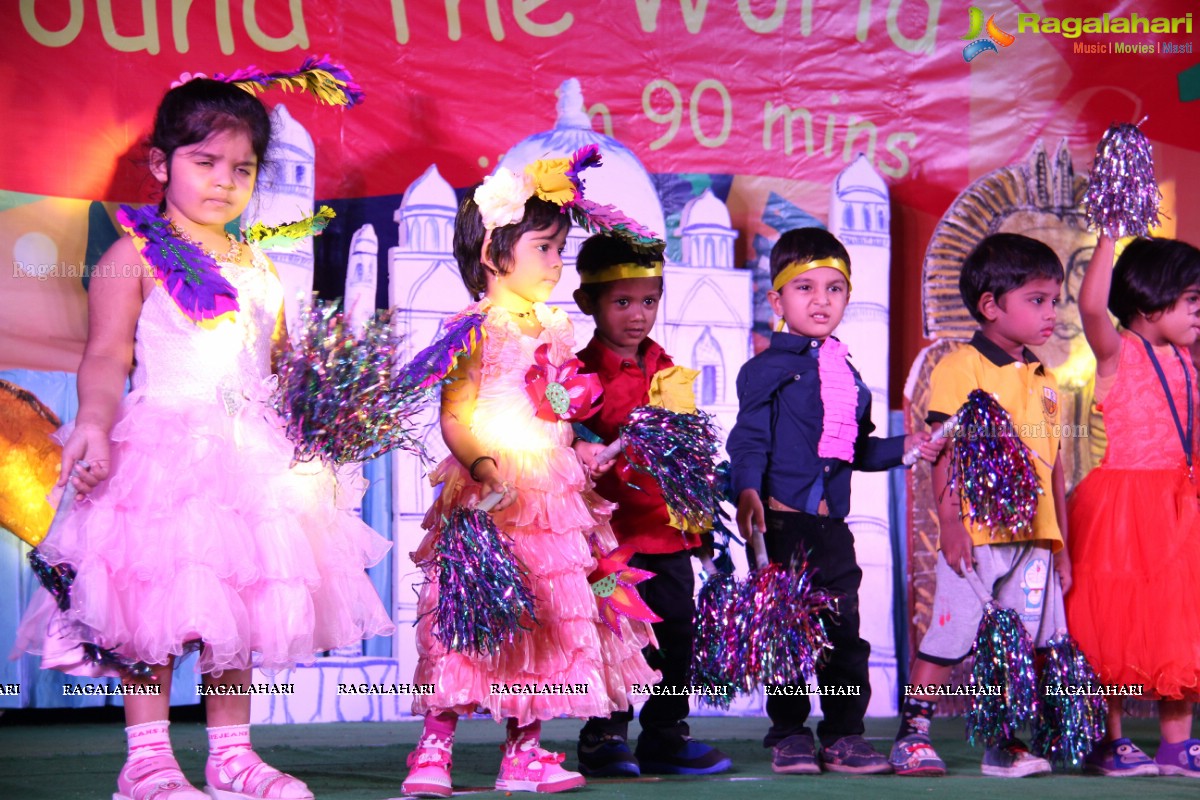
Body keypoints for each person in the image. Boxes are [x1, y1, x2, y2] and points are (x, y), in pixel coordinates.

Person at [15, 75, 394, 800]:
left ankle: (231, 754)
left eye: (241, 168)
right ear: (161, 164)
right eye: (204, 162)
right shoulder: (134, 254)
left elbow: (277, 369)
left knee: (239, 604)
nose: (224, 181)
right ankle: (148, 758)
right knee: (146, 605)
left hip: (249, 458)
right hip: (160, 451)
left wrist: (324, 419)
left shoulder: (260, 270)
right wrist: (93, 422)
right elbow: (103, 357)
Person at [401, 155, 660, 797]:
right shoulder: (471, 328)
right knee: (470, 615)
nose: (554, 263)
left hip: (553, 492)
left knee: (545, 618)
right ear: (493, 252)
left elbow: (560, 409)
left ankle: (525, 752)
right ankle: (434, 749)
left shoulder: (557, 327)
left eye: (560, 249)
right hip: (494, 494)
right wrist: (484, 468)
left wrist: (583, 450)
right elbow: (456, 415)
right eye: (544, 247)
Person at [728, 227, 937, 775]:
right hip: (782, 527)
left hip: (832, 532)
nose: (821, 300)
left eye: (834, 288)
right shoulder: (765, 370)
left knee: (845, 636)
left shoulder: (850, 375)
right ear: (777, 300)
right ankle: (790, 733)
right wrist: (747, 489)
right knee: (789, 634)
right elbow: (748, 439)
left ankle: (845, 734)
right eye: (805, 288)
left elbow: (858, 451)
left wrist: (908, 447)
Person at [891, 232, 1070, 778]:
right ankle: (912, 734)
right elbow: (943, 450)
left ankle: (1003, 741)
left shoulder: (1046, 380)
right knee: (953, 631)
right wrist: (951, 523)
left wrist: (1061, 545)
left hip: (1034, 541)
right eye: (1036, 300)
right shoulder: (960, 367)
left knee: (1012, 641)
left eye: (1055, 300)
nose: (1050, 313)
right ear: (991, 306)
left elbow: (1054, 465)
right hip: (979, 534)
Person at [570, 234, 732, 777]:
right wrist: (577, 443)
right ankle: (604, 733)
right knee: (613, 634)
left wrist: (702, 525)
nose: (637, 316)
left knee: (677, 631)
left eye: (648, 301)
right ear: (587, 302)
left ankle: (665, 733)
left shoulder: (668, 371)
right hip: (608, 542)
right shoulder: (571, 376)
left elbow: (688, 455)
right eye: (622, 302)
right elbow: (554, 432)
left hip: (668, 534)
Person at [1066, 235, 1200, 777]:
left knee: (1179, 617)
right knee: (1115, 621)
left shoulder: (1189, 360)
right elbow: (1092, 306)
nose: (1199, 312)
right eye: (1192, 300)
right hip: (1123, 505)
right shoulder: (1118, 349)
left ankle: (1176, 744)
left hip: (1179, 501)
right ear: (1149, 301)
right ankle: (1110, 738)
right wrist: (1107, 234)